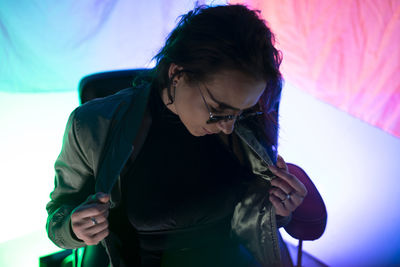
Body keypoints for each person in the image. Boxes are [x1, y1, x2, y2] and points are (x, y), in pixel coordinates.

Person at [46, 4, 307, 267]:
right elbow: (57, 219)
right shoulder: (93, 125)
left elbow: (255, 216)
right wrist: (73, 228)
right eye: (218, 110)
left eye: (242, 112)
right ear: (177, 74)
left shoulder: (248, 120)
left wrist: (279, 209)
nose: (229, 127)